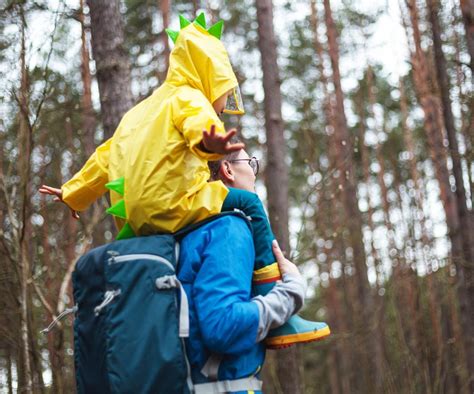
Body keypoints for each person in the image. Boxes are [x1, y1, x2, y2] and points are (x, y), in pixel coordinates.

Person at [39, 13, 329, 348]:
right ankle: (271, 294)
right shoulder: (191, 98)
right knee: (248, 203)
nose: (222, 105)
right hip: (176, 204)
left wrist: (74, 192)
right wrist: (211, 145)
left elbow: (105, 157)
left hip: (137, 221)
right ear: (210, 75)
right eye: (224, 91)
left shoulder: (138, 113)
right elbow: (198, 128)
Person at [179, 148, 308, 393]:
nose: (254, 172)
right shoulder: (228, 228)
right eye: (250, 163)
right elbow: (223, 325)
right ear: (227, 169)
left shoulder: (189, 232)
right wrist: (291, 292)